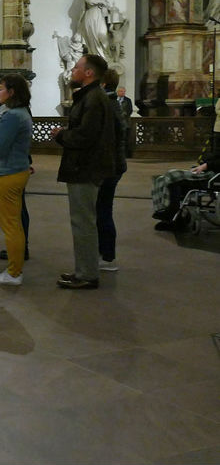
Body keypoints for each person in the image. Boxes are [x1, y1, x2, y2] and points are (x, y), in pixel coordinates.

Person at [52, 54, 116, 290]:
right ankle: (83, 269)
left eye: (77, 67)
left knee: (83, 223)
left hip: (85, 168)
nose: (73, 71)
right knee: (82, 221)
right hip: (83, 167)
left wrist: (61, 135)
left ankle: (88, 274)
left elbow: (85, 137)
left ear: (89, 73)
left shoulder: (94, 99)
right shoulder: (91, 97)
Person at [0, 74, 33, 286]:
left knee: (11, 225)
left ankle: (13, 273)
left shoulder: (12, 116)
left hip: (7, 173)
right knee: (14, 223)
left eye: (1, 88)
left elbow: (0, 147)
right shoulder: (20, 113)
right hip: (16, 170)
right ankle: (14, 269)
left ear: (12, 92)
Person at [96, 68, 128, 271]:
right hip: (114, 164)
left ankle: (107, 258)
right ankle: (105, 254)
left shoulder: (106, 104)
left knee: (103, 211)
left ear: (103, 84)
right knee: (102, 210)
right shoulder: (111, 103)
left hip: (110, 166)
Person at [151, 153, 219, 231]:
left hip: (213, 176)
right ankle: (165, 211)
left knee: (172, 175)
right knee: (161, 179)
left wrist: (206, 165)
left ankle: (172, 211)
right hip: (210, 171)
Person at [117, 86, 134, 157]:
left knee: (126, 138)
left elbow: (129, 110)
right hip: (117, 122)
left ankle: (126, 154)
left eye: (123, 91)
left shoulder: (128, 100)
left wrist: (123, 114)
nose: (122, 92)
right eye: (121, 91)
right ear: (117, 92)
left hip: (125, 122)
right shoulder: (115, 99)